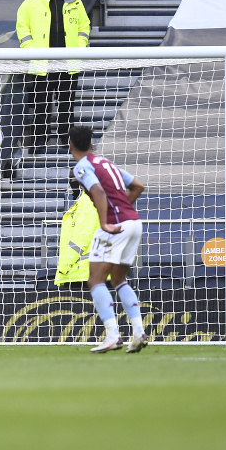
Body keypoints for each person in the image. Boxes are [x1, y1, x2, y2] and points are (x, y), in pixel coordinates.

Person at [69, 125, 149, 354]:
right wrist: (123, 209)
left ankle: (113, 335)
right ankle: (138, 332)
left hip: (115, 226)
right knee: (119, 279)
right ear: (92, 145)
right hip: (134, 223)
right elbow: (138, 186)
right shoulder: (106, 163)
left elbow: (99, 192)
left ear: (70, 146)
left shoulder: (82, 167)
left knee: (95, 280)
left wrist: (105, 221)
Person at [16, 0, 91, 153]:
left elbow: (84, 26)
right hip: (42, 65)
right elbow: (22, 26)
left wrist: (79, 47)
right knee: (41, 106)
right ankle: (39, 142)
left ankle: (67, 142)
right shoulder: (31, 3)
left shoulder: (75, 3)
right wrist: (30, 49)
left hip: (68, 65)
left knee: (66, 106)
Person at [54, 169, 99, 287]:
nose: (71, 181)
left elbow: (82, 238)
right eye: (70, 178)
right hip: (85, 272)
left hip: (84, 274)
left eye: (74, 178)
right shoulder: (86, 200)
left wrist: (64, 266)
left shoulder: (89, 202)